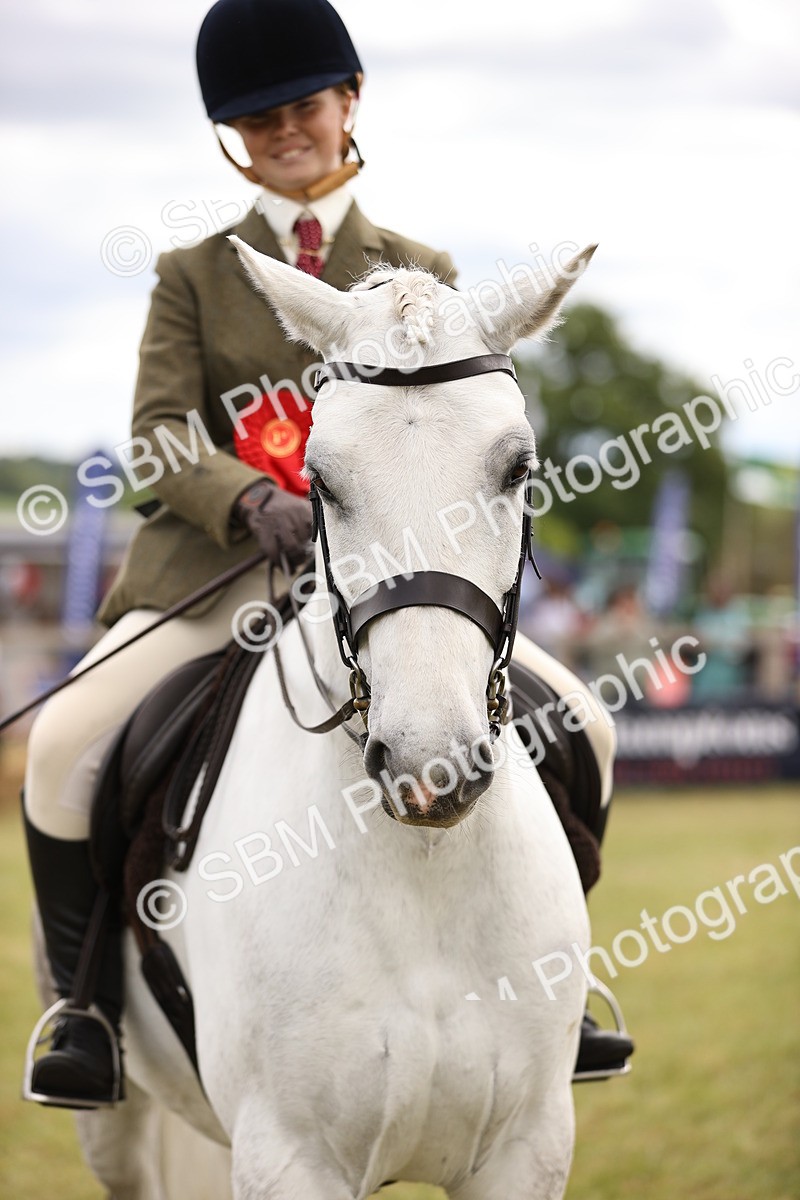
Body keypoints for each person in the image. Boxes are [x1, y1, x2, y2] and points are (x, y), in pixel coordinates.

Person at [22, 0, 631, 1109]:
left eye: (301, 106)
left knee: (581, 721)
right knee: (64, 746)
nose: (283, 131)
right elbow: (159, 432)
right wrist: (250, 499)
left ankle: (558, 988)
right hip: (215, 575)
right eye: (255, 120)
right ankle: (88, 1013)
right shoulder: (195, 273)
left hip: (391, 581)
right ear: (230, 136)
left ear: (348, 102)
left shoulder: (418, 266)